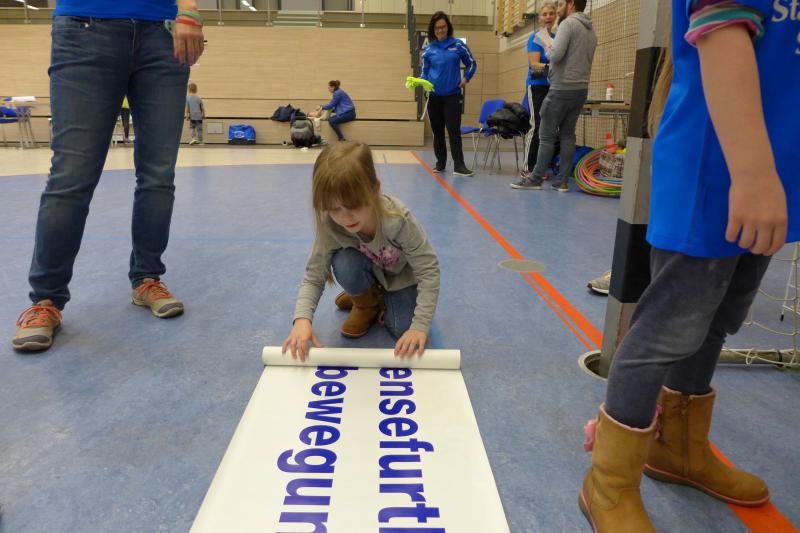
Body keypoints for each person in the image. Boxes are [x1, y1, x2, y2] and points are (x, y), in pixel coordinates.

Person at [579, 1, 797, 531]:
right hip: (720, 169)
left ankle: (678, 450)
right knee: (664, 331)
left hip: (773, 169)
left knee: (718, 320)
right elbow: (723, 35)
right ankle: (608, 483)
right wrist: (753, 175)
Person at [12, 1, 205, 352]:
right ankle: (46, 299)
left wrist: (188, 8)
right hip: (85, 25)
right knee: (71, 177)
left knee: (158, 176)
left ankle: (147, 278)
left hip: (162, 33)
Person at [282, 141, 440, 361]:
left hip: (400, 279)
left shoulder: (398, 220)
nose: (345, 217)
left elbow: (428, 271)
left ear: (374, 190)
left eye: (354, 205)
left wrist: (420, 326)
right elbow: (314, 275)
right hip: (365, 268)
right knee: (344, 262)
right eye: (334, 208)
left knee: (403, 329)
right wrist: (301, 320)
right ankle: (365, 301)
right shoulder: (331, 224)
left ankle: (375, 298)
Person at [511, 0, 596, 191]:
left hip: (560, 88)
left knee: (546, 135)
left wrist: (549, 48)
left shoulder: (567, 24)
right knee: (567, 134)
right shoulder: (590, 29)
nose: (557, 11)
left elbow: (555, 55)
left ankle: (535, 178)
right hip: (580, 89)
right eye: (547, 13)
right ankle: (563, 180)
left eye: (560, 5)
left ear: (571, 4)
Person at [420, 11, 477, 177]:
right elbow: (424, 72)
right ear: (433, 30)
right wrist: (421, 82)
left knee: (453, 130)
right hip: (433, 97)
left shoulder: (458, 45)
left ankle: (459, 165)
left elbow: (472, 63)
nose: (440, 30)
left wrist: (466, 78)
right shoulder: (429, 50)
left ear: (448, 27)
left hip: (452, 96)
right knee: (437, 132)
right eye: (437, 28)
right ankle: (440, 163)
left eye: (443, 26)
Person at [519, 2, 557, 182]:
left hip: (552, 87)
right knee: (536, 125)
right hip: (536, 86)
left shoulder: (557, 38)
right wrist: (553, 68)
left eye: (551, 13)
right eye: (544, 14)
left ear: (555, 16)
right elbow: (534, 65)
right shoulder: (535, 38)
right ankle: (527, 167)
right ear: (540, 18)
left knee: (549, 128)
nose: (548, 17)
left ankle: (541, 167)